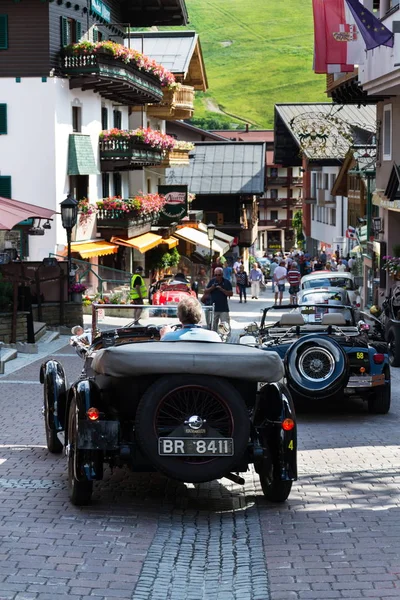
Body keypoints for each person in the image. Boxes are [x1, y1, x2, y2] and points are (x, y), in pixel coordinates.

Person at [202, 266, 233, 331]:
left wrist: (222, 289)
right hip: (213, 308)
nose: (217, 277)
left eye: (219, 275)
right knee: (213, 327)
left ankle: (225, 339)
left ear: (222, 274)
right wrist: (212, 288)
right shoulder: (212, 281)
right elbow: (205, 291)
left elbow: (231, 293)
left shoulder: (226, 282)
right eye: (215, 275)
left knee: (225, 327)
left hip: (223, 308)